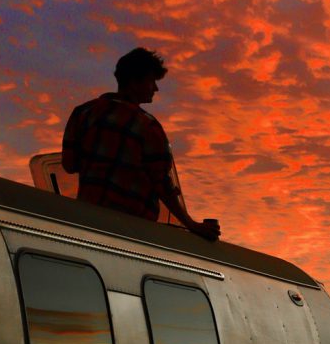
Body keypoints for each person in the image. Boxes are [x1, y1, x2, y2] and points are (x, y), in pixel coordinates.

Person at [62, 48, 220, 240]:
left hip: (88, 223)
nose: (156, 88)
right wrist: (191, 224)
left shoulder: (83, 112)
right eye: (152, 81)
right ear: (135, 81)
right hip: (133, 231)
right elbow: (162, 183)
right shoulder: (147, 126)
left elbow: (69, 165)